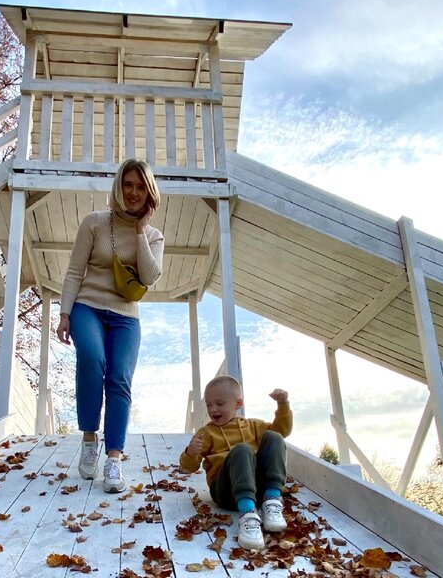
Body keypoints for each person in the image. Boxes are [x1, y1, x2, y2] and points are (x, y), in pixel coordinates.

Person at [56, 159, 164, 493]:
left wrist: (141, 230)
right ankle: (90, 439)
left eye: (141, 186)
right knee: (92, 359)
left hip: (126, 316)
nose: (133, 192)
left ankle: (113, 459)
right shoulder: (94, 223)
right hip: (87, 306)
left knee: (119, 378)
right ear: (119, 186)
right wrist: (64, 313)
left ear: (149, 192)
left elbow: (149, 276)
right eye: (128, 184)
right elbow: (75, 272)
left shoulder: (154, 235)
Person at [179, 376, 292, 551]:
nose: (213, 409)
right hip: (225, 492)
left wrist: (283, 405)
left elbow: (282, 432)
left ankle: (271, 501)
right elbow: (188, 467)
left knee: (274, 436)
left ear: (238, 404)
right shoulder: (207, 433)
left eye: (219, 403)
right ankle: (247, 515)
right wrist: (190, 452)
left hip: (256, 490)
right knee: (242, 450)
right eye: (209, 404)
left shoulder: (252, 425)